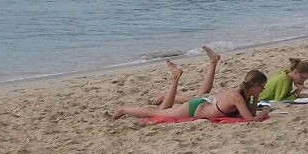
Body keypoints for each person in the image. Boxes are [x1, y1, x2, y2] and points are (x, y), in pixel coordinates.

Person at [114, 47, 268, 122]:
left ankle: (176, 78)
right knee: (156, 113)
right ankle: (124, 109)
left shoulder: (243, 94)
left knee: (162, 110)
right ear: (255, 85)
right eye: (262, 87)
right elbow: (251, 120)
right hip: (194, 109)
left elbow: (251, 113)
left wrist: (255, 99)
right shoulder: (237, 96)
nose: (263, 90)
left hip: (201, 105)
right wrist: (265, 112)